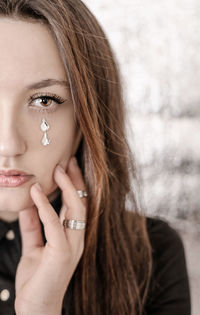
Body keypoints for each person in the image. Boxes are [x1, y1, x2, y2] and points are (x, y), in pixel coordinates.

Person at [0, 0, 191, 314]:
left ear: (85, 119)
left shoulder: (151, 255)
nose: (8, 145)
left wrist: (41, 308)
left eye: (44, 99)